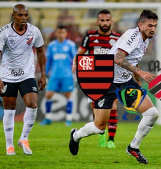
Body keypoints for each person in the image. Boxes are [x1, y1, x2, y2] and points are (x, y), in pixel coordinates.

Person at [69, 9, 159, 164]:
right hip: (105, 81)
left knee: (152, 114)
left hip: (125, 83)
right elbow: (118, 58)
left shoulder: (146, 39)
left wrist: (137, 80)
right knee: (99, 128)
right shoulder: (133, 36)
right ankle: (76, 135)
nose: (153, 29)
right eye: (150, 25)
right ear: (140, 25)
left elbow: (134, 59)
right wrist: (141, 73)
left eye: (155, 26)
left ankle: (133, 147)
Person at [0, 4, 46, 155]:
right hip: (8, 76)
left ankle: (24, 139)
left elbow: (40, 51)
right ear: (14, 16)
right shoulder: (5, 32)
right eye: (20, 15)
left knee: (33, 104)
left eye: (26, 15)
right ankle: (9, 146)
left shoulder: (34, 31)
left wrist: (43, 74)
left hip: (27, 74)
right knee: (9, 110)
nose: (23, 18)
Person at [71, 9, 121, 148]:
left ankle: (111, 139)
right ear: (97, 21)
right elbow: (80, 53)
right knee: (96, 110)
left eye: (107, 20)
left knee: (113, 105)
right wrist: (75, 63)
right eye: (102, 20)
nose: (104, 23)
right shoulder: (90, 36)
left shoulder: (117, 38)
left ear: (111, 21)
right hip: (94, 77)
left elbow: (123, 56)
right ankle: (101, 133)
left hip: (112, 76)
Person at [40, 25, 76, 126]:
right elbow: (49, 62)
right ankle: (48, 118)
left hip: (67, 75)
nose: (61, 34)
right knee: (48, 95)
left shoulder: (70, 45)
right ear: (56, 33)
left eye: (63, 32)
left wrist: (75, 73)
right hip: (54, 75)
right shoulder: (52, 46)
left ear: (66, 33)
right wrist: (45, 74)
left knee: (68, 95)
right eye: (59, 32)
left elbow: (75, 60)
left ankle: (68, 119)